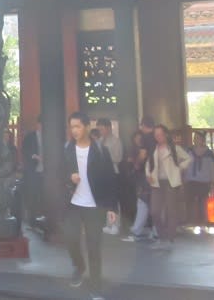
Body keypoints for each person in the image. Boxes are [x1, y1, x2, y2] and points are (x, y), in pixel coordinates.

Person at [63, 111, 118, 300]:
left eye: (78, 126)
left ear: (87, 127)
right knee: (70, 239)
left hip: (95, 206)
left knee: (94, 247)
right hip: (73, 203)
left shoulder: (101, 151)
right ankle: (79, 266)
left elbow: (110, 180)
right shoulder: (67, 149)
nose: (74, 130)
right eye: (72, 127)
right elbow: (57, 173)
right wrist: (69, 177)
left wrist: (111, 207)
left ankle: (96, 287)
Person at [146, 124, 191, 250]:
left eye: (160, 134)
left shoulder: (174, 148)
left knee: (171, 211)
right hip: (156, 182)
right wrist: (148, 175)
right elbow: (148, 164)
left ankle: (170, 237)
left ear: (165, 134)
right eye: (156, 135)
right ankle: (162, 235)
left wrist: (179, 168)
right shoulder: (153, 149)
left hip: (171, 182)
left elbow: (188, 159)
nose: (158, 137)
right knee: (154, 211)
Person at [121, 131, 155, 242]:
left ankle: (139, 230)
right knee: (149, 204)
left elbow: (140, 160)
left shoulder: (145, 148)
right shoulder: (155, 147)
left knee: (143, 203)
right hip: (150, 179)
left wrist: (136, 163)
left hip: (145, 179)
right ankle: (152, 230)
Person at [185, 131, 214, 228]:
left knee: (203, 202)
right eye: (194, 138)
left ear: (202, 140)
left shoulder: (209, 154)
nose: (195, 139)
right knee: (190, 202)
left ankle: (203, 223)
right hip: (191, 180)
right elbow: (183, 165)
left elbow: (213, 169)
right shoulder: (188, 151)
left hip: (204, 182)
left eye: (197, 138)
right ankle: (191, 222)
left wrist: (213, 182)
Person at [96, 118, 123, 235]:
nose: (100, 131)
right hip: (102, 174)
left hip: (112, 172)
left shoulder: (116, 141)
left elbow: (118, 158)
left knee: (113, 200)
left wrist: (106, 159)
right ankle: (108, 224)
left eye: (101, 129)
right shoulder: (99, 140)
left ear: (108, 128)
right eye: (99, 129)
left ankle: (116, 224)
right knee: (106, 200)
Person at [21, 115, 44, 226]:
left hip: (45, 170)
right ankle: (32, 219)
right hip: (33, 170)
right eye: (41, 124)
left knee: (43, 194)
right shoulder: (30, 137)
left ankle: (42, 216)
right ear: (38, 124)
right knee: (32, 194)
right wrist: (33, 156)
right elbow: (25, 151)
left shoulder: (48, 137)